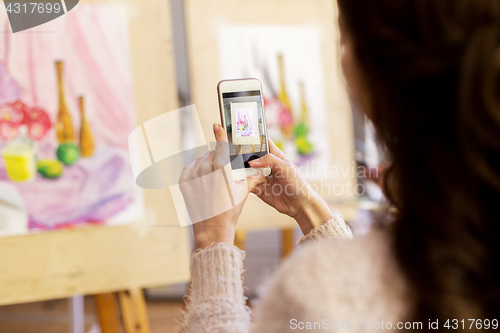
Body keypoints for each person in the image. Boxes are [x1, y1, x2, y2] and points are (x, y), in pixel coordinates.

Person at [177, 0, 500, 332]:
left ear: (366, 71)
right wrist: (311, 211)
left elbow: (352, 299)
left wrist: (212, 239)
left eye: (343, 39)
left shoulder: (314, 290)